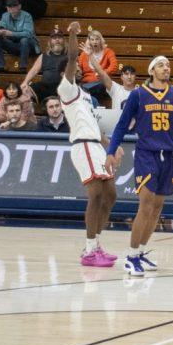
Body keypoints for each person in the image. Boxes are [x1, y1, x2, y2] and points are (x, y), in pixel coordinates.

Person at [106, 55, 173, 276]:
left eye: (168, 65)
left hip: (167, 156)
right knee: (146, 205)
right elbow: (122, 125)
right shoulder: (138, 95)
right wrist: (111, 151)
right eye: (161, 65)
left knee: (158, 208)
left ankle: (141, 252)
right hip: (146, 154)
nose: (166, 68)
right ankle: (131, 256)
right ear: (152, 71)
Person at [57, 21, 119, 266]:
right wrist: (72, 34)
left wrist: (111, 146)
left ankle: (96, 245)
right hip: (82, 145)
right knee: (95, 194)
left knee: (111, 195)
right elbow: (73, 58)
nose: (80, 70)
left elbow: (94, 124)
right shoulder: (67, 89)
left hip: (95, 144)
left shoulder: (86, 96)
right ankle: (89, 250)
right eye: (75, 70)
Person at [0, 0, 40, 76]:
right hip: (14, 46)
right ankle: (0, 66)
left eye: (14, 6)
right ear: (7, 8)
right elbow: (1, 24)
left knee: (24, 40)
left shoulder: (27, 16)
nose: (11, 8)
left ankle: (23, 67)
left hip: (30, 47)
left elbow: (28, 34)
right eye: (9, 6)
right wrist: (0, 30)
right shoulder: (5, 15)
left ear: (19, 6)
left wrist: (11, 33)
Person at [21, 30, 67, 101]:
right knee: (25, 90)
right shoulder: (43, 56)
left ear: (63, 41)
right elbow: (34, 70)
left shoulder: (70, 56)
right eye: (54, 38)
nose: (57, 40)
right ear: (50, 42)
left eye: (59, 38)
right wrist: (25, 82)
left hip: (63, 87)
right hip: (45, 88)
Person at [77, 29, 118, 101]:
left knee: (99, 86)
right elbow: (79, 70)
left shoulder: (108, 52)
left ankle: (84, 91)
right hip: (87, 83)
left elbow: (114, 67)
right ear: (89, 41)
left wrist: (102, 73)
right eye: (92, 40)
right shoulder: (84, 54)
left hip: (102, 83)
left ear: (101, 40)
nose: (95, 42)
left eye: (97, 39)